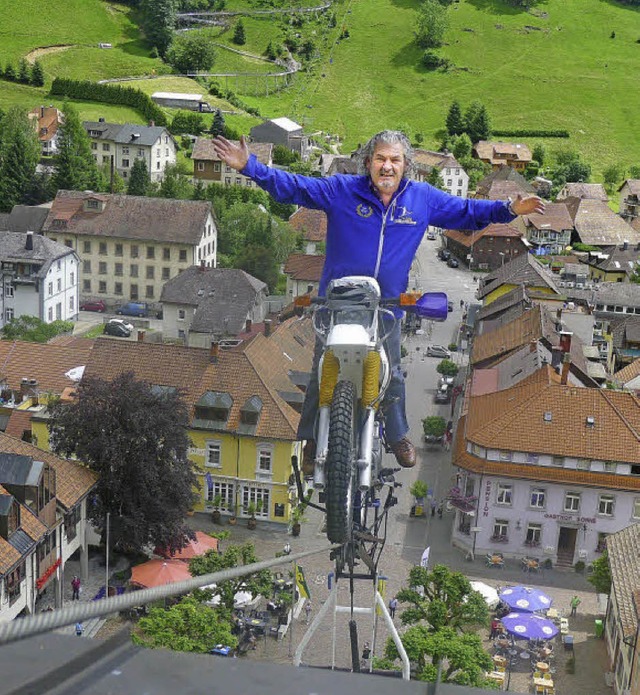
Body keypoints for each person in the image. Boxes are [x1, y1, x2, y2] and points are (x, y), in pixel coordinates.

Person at [212, 132, 544, 469]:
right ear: (368, 162)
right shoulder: (342, 190)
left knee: (393, 371)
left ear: (406, 165)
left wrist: (508, 209)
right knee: (322, 369)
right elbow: (295, 186)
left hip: (387, 304)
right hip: (338, 300)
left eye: (395, 160)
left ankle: (398, 434)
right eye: (381, 158)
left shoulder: (421, 199)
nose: (387, 166)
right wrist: (250, 166)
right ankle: (312, 440)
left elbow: (468, 212)